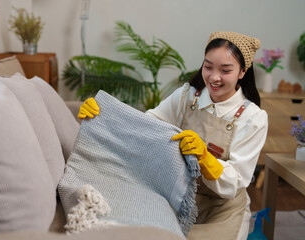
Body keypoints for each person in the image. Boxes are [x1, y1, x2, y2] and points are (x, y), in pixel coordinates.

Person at [77, 31, 268, 240]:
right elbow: (147, 125)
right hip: (178, 197)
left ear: (242, 72)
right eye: (208, 67)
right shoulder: (186, 97)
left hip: (222, 210)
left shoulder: (253, 118)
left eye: (225, 70)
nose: (214, 77)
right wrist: (105, 113)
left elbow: (236, 180)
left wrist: (205, 159)